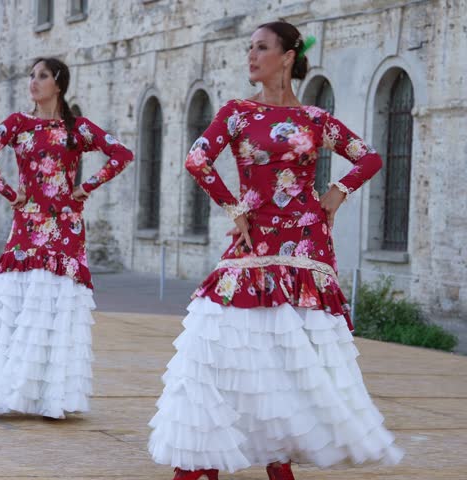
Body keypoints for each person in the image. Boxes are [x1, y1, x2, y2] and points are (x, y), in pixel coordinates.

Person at [147, 21, 403, 480]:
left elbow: (369, 157)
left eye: (261, 48)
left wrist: (338, 191)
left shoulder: (315, 119)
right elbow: (196, 158)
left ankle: (278, 457)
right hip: (254, 241)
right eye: (249, 48)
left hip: (305, 244)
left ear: (287, 57)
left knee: (289, 352)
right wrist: (232, 207)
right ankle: (204, 460)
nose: (251, 56)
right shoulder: (238, 112)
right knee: (220, 342)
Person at [0, 57, 134, 419]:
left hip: (65, 229)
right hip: (27, 225)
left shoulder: (77, 129)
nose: (33, 81)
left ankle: (46, 397)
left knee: (52, 306)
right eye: (31, 75)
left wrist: (86, 186)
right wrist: (11, 193)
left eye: (42, 76)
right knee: (8, 304)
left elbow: (121, 154)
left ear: (58, 84)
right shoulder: (18, 124)